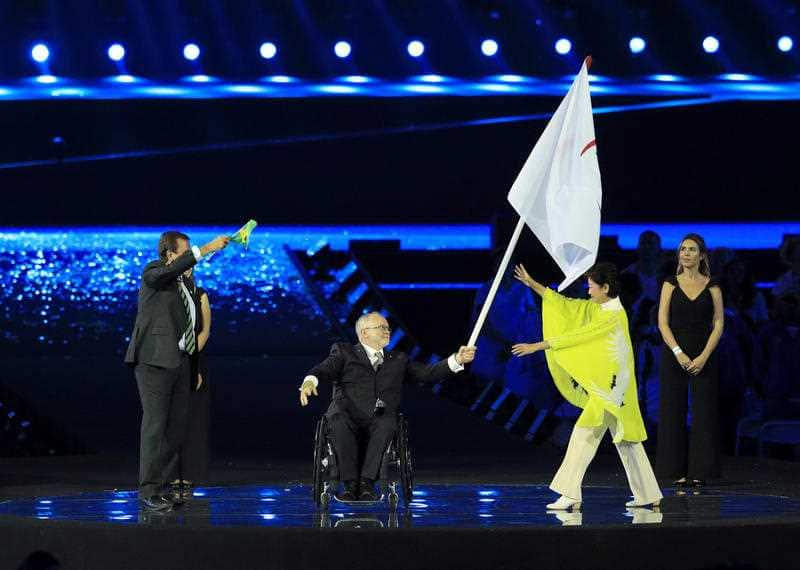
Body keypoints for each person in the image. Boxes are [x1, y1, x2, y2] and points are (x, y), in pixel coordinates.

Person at [512, 262, 662, 510]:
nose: (588, 291)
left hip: (611, 390)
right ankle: (648, 493)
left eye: (591, 287)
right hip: (610, 389)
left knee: (583, 436)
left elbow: (577, 337)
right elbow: (568, 307)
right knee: (626, 440)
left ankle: (570, 495)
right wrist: (533, 284)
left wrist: (537, 345)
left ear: (605, 288)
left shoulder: (612, 316)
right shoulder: (599, 308)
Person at [299, 312, 475, 501]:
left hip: (380, 414)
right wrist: (310, 381)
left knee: (386, 422)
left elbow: (427, 374)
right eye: (381, 327)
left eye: (387, 328)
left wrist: (457, 359)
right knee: (339, 421)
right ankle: (350, 483)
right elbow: (324, 369)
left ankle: (367, 483)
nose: (387, 331)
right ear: (364, 333)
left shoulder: (398, 359)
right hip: (347, 412)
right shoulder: (344, 352)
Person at [124, 231, 229, 511]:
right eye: (184, 252)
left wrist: (193, 366)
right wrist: (205, 248)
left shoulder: (187, 286)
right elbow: (167, 273)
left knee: (175, 428)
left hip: (181, 362)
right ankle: (148, 489)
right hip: (155, 361)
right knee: (156, 425)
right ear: (170, 254)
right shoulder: (154, 273)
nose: (188, 258)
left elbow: (192, 330)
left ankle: (164, 485)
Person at [656, 233, 724, 486]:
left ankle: (701, 471)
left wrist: (704, 356)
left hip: (704, 353)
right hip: (675, 353)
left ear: (702, 255)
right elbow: (662, 322)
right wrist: (679, 353)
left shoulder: (713, 285)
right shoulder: (670, 283)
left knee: (703, 411)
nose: (686, 253)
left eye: (692, 249)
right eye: (683, 249)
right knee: (672, 409)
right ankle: (673, 471)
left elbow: (718, 323)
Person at [171, 265, 212, 491]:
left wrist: (191, 356)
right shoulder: (164, 294)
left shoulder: (200, 294)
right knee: (169, 418)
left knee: (192, 419)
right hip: (167, 359)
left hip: (193, 359)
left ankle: (188, 473)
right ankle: (167, 473)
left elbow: (205, 329)